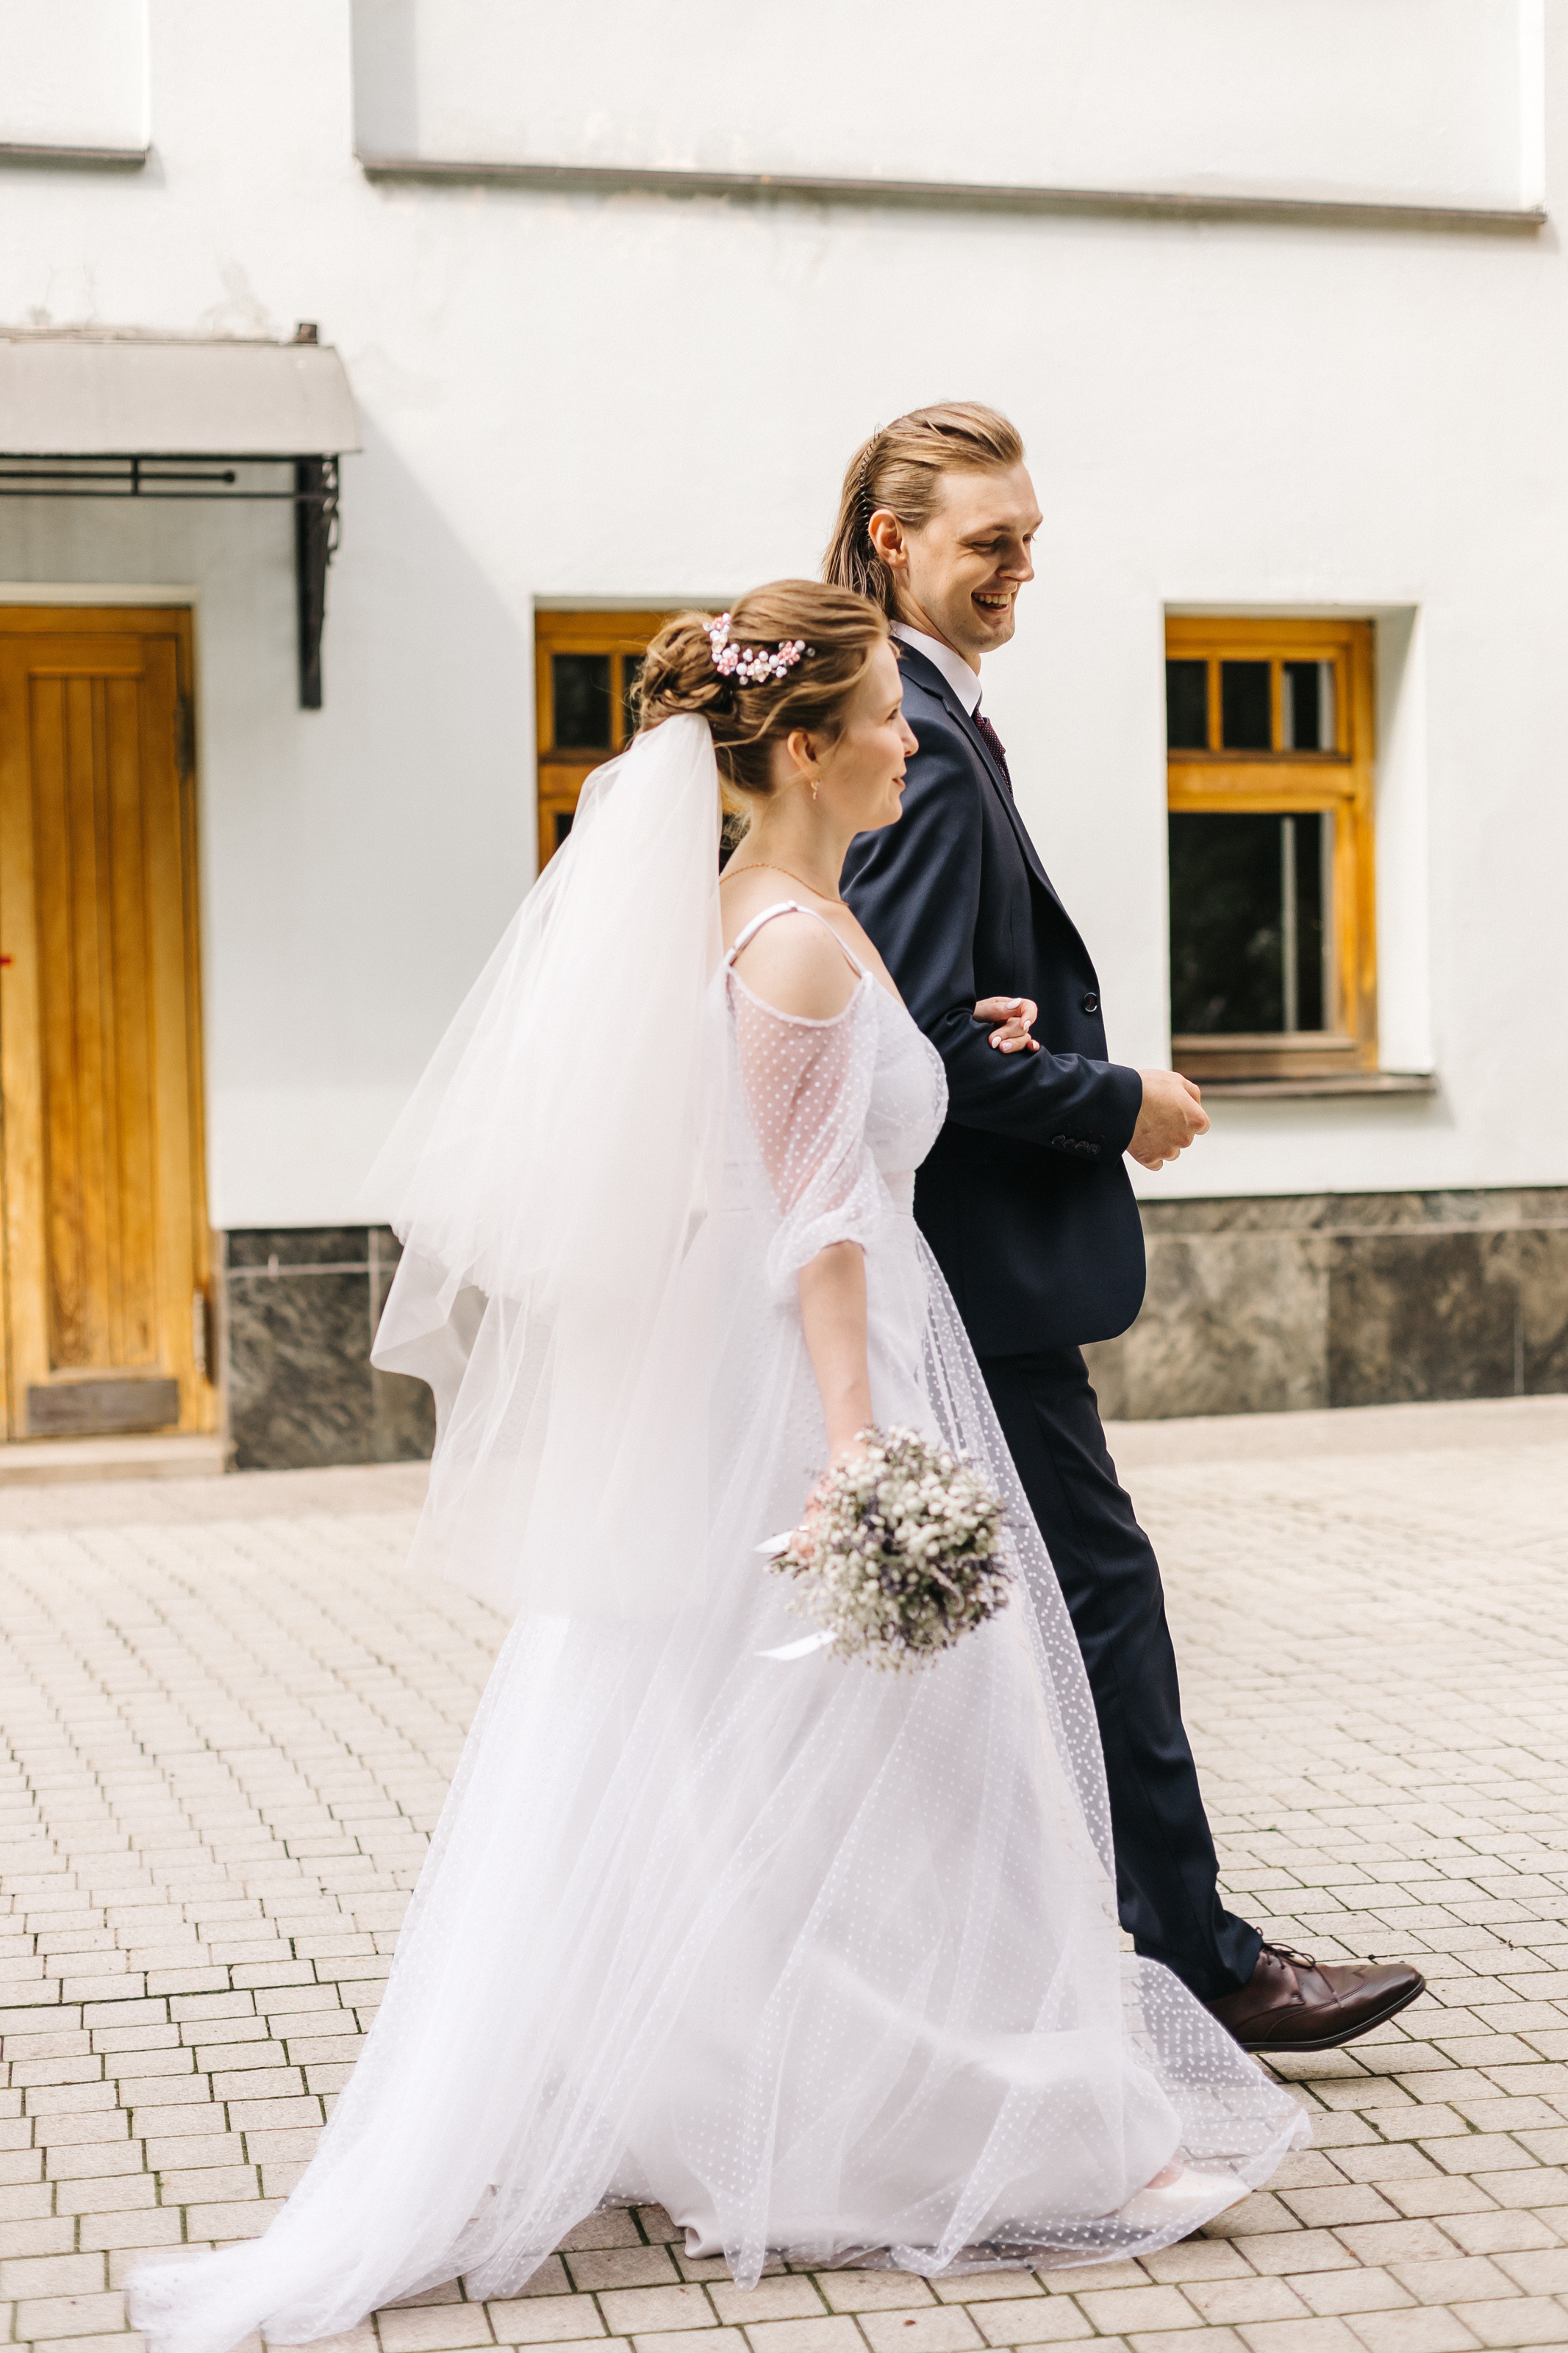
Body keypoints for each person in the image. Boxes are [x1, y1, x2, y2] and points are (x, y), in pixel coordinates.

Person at [129, 582, 1304, 2353]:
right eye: (883, 720)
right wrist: (861, 1462)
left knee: (750, 1762)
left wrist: (960, 1051)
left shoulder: (766, 913)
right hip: (818, 1396)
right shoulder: (798, 944)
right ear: (812, 746)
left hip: (781, 1387)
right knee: (912, 1768)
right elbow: (816, 1226)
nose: (911, 735)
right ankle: (965, 2134)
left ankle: (767, 2102)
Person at [828, 404, 1425, 2052]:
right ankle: (1199, 1960)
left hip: (948, 1268)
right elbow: (928, 1043)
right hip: (974, 1276)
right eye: (988, 541)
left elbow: (905, 1011)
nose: (1022, 565)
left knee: (1000, 1621)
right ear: (893, 542)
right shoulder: (920, 743)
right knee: (1096, 1599)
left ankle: (1033, 1949)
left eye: (1029, 537)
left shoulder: (919, 721)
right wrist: (1115, 1096)